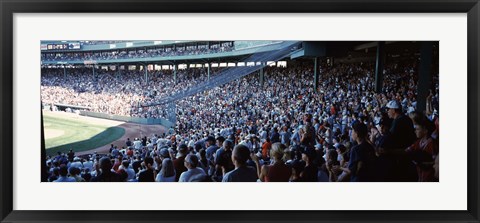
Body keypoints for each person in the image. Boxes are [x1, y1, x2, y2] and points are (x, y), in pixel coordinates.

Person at [406, 117, 436, 182]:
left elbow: (435, 162)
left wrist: (425, 163)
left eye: (417, 129)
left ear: (425, 131)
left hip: (429, 177)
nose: (415, 131)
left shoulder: (432, 144)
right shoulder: (418, 142)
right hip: (420, 176)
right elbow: (407, 151)